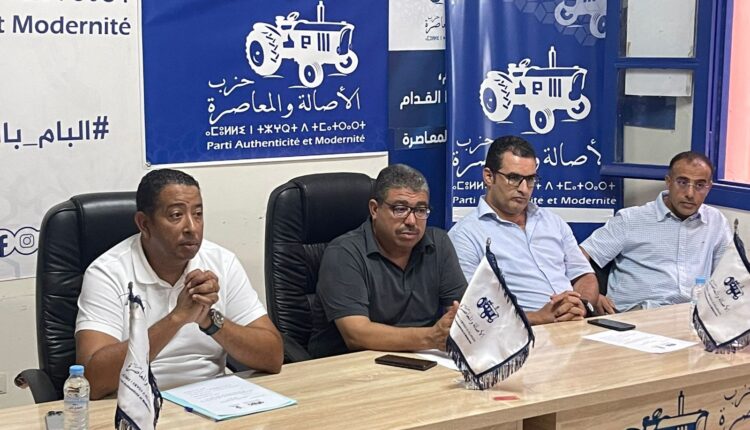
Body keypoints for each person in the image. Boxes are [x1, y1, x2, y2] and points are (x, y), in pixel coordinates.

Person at [75, 169, 283, 399]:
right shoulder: (107, 273)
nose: (192, 227)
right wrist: (177, 318)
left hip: (213, 398)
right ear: (144, 224)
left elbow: (273, 357)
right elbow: (92, 381)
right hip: (137, 404)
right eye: (176, 215)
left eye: (198, 214)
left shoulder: (222, 262)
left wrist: (209, 320)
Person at [309, 164, 468, 358]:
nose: (411, 221)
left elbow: (464, 312)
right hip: (352, 364)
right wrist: (431, 337)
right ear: (375, 209)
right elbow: (356, 335)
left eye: (420, 210)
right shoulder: (343, 253)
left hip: (422, 359)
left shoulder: (438, 243)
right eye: (400, 209)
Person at [448, 135, 599, 325]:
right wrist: (538, 317)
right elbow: (470, 310)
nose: (524, 189)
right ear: (488, 177)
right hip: (522, 334)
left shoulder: (553, 222)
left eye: (530, 179)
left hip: (575, 324)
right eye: (514, 178)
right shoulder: (465, 235)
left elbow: (584, 276)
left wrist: (582, 305)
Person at [580, 151, 732, 313]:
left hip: (692, 314)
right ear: (668, 182)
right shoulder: (631, 219)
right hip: (634, 314)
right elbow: (578, 257)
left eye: (700, 185)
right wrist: (592, 295)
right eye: (682, 182)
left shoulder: (716, 221)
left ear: (709, 187)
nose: (690, 194)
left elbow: (731, 272)